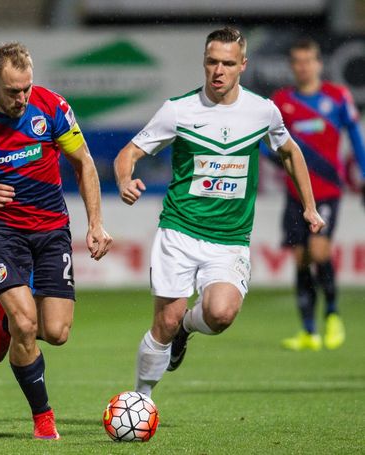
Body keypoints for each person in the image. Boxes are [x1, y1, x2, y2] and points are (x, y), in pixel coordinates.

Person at [113, 27, 325, 397]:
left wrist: (309, 206)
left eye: (228, 63)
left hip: (228, 238)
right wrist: (124, 179)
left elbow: (290, 151)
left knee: (221, 313)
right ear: (204, 62)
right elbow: (127, 154)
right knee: (164, 320)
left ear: (243, 65)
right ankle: (141, 399)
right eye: (212, 61)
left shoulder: (262, 111)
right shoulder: (177, 111)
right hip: (179, 230)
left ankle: (186, 329)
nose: (218, 70)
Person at [0, 42, 112, 439]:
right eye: (12, 91)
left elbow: (84, 162)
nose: (22, 98)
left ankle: (4, 319)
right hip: (2, 232)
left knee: (55, 332)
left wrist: (96, 224)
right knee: (27, 324)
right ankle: (43, 418)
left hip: (52, 228)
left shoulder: (52, 107)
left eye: (26, 88)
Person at [266, 38, 365, 351]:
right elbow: (262, 141)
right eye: (297, 61)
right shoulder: (281, 101)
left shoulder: (337, 97)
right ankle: (308, 331)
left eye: (308, 60)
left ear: (319, 63)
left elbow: (355, 136)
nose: (303, 66)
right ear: (292, 65)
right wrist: (272, 156)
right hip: (294, 194)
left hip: (327, 191)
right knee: (300, 259)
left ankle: (333, 315)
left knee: (320, 253)